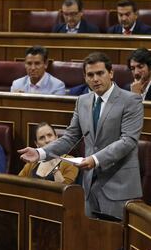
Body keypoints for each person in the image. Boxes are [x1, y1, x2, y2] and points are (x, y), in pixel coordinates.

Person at [18, 52, 143, 219]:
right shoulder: (82, 101)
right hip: (90, 187)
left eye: (100, 73)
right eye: (90, 75)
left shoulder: (131, 100)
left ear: (111, 73)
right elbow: (70, 137)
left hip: (119, 186)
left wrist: (95, 159)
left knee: (116, 242)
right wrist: (41, 153)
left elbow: (128, 141)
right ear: (85, 77)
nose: (95, 79)